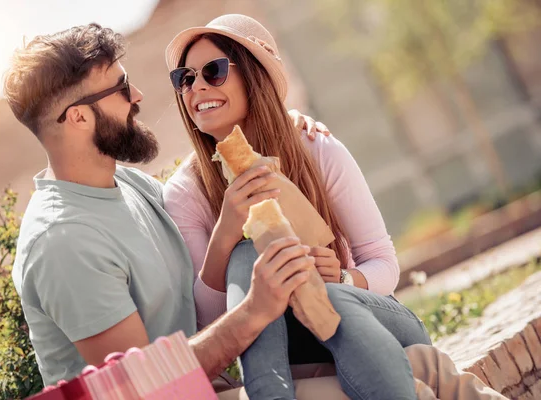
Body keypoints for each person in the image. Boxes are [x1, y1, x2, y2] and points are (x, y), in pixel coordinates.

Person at [4, 21, 506, 400]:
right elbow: (148, 389)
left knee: (426, 364)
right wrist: (255, 306)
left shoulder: (126, 185)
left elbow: (213, 184)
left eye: (214, 72)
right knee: (414, 377)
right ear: (77, 117)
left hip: (235, 370)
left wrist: (286, 127)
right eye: (120, 88)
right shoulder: (64, 243)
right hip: (196, 392)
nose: (140, 96)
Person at [162, 13, 437, 400]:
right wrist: (226, 230)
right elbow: (211, 322)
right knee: (245, 257)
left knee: (331, 295)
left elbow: (383, 263)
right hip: (287, 349)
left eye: (214, 71)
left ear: (254, 76)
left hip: (374, 322)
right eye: (185, 79)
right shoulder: (187, 192)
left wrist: (343, 278)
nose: (198, 87)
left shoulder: (315, 149)